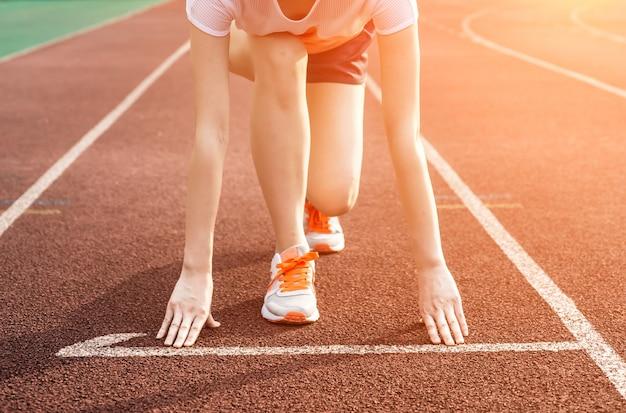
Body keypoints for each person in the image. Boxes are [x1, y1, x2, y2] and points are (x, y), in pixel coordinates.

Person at [156, 0, 468, 348]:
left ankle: (311, 199)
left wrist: (432, 266)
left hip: (337, 47)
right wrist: (196, 272)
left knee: (335, 196)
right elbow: (211, 132)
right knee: (282, 56)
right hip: (262, 44)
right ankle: (290, 253)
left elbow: (405, 133)